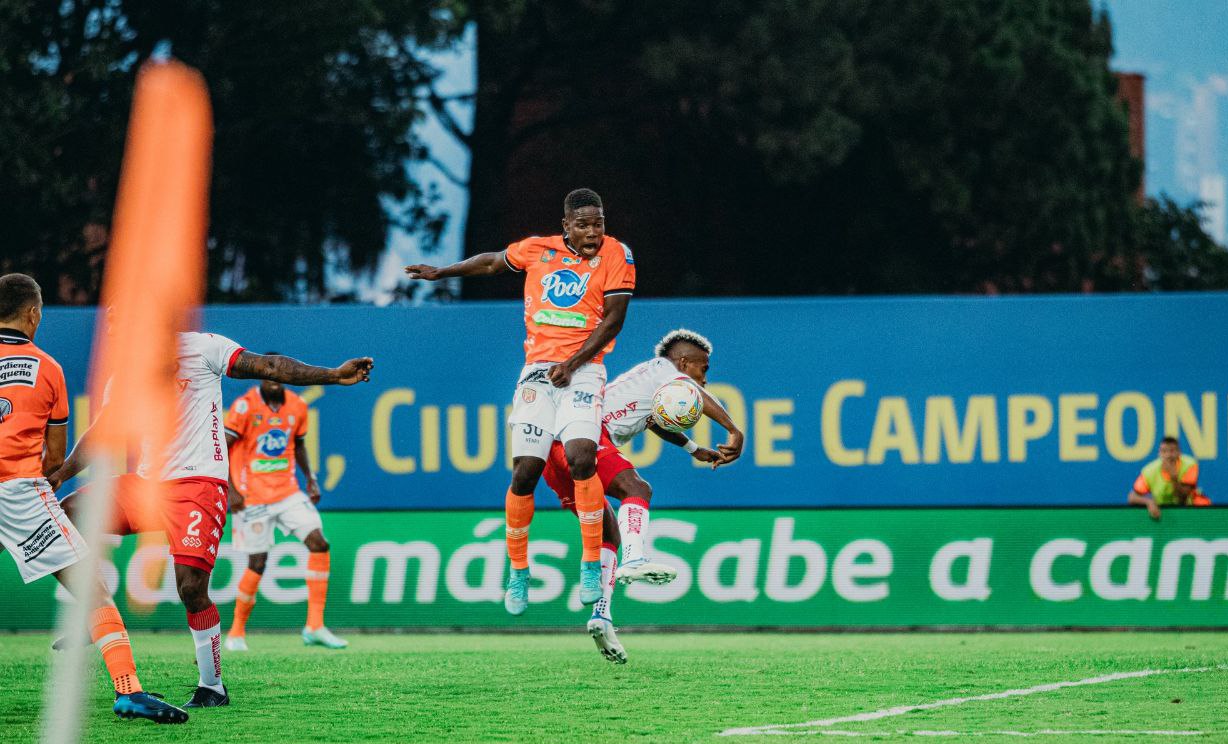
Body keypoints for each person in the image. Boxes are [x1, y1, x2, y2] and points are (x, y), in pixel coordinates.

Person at [51, 336, 373, 708]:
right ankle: (96, 612)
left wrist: (333, 375)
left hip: (199, 484)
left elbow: (270, 366)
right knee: (69, 511)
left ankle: (212, 687)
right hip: (146, 486)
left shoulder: (202, 348)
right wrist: (61, 473)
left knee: (190, 589)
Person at [406, 188, 634, 617]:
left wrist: (574, 361)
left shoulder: (617, 254)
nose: (592, 232)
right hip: (537, 371)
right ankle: (518, 571)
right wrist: (441, 272)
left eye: (598, 223)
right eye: (582, 225)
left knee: (582, 456)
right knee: (525, 472)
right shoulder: (537, 249)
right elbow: (492, 261)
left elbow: (615, 318)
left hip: (583, 368)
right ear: (565, 225)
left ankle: (589, 565)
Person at [0, 274, 185, 722]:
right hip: (20, 493)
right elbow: (56, 456)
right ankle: (128, 692)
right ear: (33, 314)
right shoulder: (47, 368)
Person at [542, 328, 745, 663]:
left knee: (608, 531)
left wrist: (693, 448)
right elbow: (691, 389)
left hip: (556, 454)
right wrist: (733, 430)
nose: (704, 379)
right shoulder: (665, 371)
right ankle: (634, 558)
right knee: (638, 489)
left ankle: (601, 616)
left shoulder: (648, 382)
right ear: (683, 362)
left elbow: (654, 422)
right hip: (582, 437)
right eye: (703, 369)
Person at [223, 370, 346, 651]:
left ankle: (315, 626)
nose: (274, 380)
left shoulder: (298, 405)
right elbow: (224, 448)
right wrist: (230, 488)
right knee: (258, 563)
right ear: (260, 380)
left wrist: (311, 478)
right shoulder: (245, 406)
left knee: (319, 543)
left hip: (288, 492)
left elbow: (299, 444)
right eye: (268, 376)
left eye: (278, 376)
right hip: (251, 495)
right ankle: (236, 632)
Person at [1128, 435, 1210, 520]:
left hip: (1191, 509)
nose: (1168, 455)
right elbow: (1132, 497)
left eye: (1172, 451)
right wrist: (1149, 502)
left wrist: (1173, 478)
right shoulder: (1149, 471)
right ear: (1159, 453)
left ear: (1179, 452)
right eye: (1164, 451)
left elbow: (1182, 500)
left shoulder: (1190, 465)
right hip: (1163, 512)